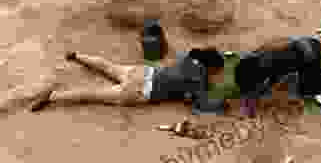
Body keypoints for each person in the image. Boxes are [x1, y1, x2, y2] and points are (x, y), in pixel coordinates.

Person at [30, 48, 230, 114]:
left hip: (141, 72)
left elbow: (185, 81)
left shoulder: (189, 58)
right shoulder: (199, 79)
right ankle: (53, 96)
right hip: (141, 91)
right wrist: (220, 105)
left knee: (108, 66)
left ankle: (78, 56)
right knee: (91, 93)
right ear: (210, 69)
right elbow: (199, 103)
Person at [234, 36, 321, 117]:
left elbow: (285, 82)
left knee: (305, 91)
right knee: (272, 87)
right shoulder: (257, 58)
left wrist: (271, 96)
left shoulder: (275, 64)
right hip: (306, 44)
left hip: (315, 59)